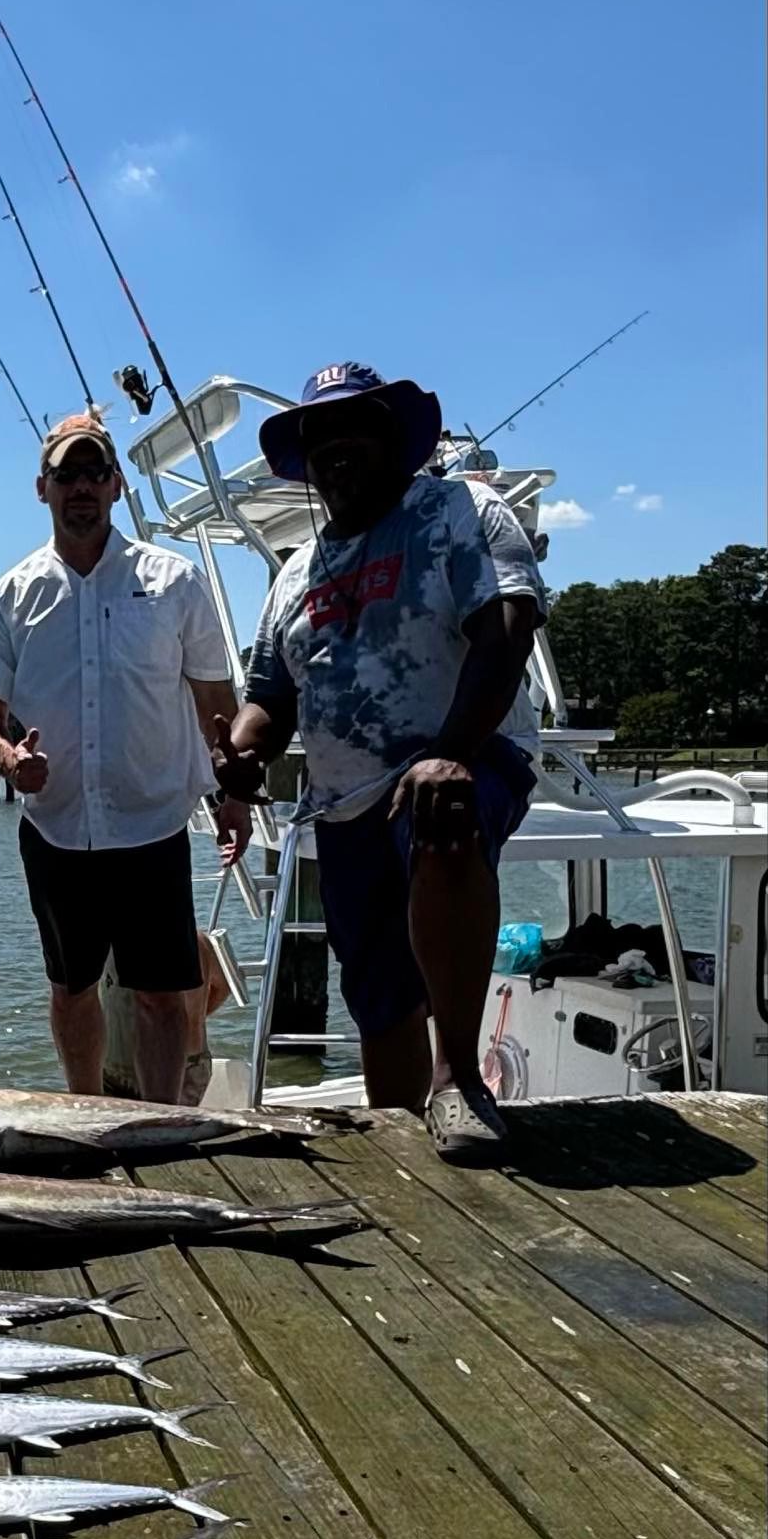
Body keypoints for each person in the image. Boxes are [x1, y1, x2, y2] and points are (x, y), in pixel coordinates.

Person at [214, 362, 546, 1159]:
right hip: (345, 799)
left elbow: (505, 630)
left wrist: (451, 754)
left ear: (396, 440)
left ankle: (459, 1082)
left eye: (355, 430)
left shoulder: (457, 509)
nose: (336, 449)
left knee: (445, 815)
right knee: (374, 988)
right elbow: (271, 694)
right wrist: (241, 751)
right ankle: (399, 1133)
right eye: (318, 438)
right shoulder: (295, 571)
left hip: (467, 758)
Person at [0, 411, 250, 1105]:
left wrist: (235, 794)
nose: (82, 486)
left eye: (96, 471)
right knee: (70, 989)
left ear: (118, 485)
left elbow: (214, 696)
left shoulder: (175, 580)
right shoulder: (11, 593)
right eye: (68, 474)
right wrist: (8, 761)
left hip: (152, 824)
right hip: (57, 826)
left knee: (162, 995)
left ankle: (156, 1126)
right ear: (43, 489)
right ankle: (85, 1115)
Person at [101, 933, 233, 1106]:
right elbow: (223, 986)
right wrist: (197, 1017)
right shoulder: (200, 940)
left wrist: (195, 1018)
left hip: (173, 1065)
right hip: (191, 1061)